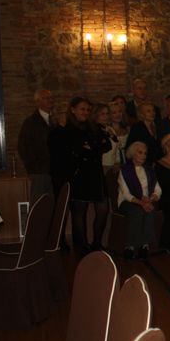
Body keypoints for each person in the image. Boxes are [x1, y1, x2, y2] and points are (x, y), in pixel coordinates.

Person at [65, 97, 110, 254]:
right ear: (73, 110)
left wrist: (91, 148)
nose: (85, 112)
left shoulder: (93, 127)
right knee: (79, 212)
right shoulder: (69, 129)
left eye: (87, 110)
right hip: (79, 174)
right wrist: (93, 148)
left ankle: (96, 243)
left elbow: (106, 145)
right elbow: (77, 151)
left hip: (96, 173)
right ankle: (82, 246)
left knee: (103, 209)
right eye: (82, 109)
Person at [116, 141, 161, 260]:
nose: (144, 156)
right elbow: (126, 194)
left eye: (145, 153)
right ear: (132, 154)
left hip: (147, 201)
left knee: (149, 210)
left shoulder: (149, 169)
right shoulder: (125, 170)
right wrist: (142, 203)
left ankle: (144, 246)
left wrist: (150, 200)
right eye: (140, 153)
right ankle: (130, 246)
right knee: (137, 211)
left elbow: (158, 189)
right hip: (128, 202)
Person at [18, 88, 55, 202]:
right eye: (45, 98)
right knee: (38, 203)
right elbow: (23, 147)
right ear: (38, 102)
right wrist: (34, 167)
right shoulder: (30, 122)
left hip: (53, 170)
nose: (50, 100)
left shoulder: (53, 121)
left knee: (52, 203)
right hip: (39, 171)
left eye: (50, 97)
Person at [95, 103, 120, 172]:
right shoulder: (94, 130)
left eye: (107, 114)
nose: (105, 116)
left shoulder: (110, 129)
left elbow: (116, 146)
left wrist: (117, 162)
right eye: (102, 114)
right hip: (100, 165)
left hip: (112, 165)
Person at [108, 99, 129, 164]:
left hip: (126, 162)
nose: (118, 115)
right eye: (114, 113)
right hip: (111, 163)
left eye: (119, 111)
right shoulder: (107, 130)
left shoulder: (127, 129)